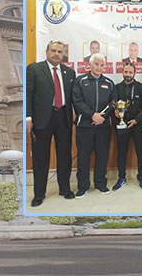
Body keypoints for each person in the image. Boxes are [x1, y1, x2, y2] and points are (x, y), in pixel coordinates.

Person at [25, 41, 76, 206]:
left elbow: (74, 98)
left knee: (64, 156)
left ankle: (65, 189)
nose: (56, 54)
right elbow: (28, 94)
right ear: (47, 52)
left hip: (63, 118)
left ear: (63, 54)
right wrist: (28, 118)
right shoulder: (34, 69)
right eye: (53, 51)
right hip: (42, 119)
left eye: (59, 52)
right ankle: (39, 194)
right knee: (40, 158)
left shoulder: (70, 72)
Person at [72, 53, 115, 197]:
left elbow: (114, 103)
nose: (99, 67)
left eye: (102, 65)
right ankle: (83, 186)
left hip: (103, 126)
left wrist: (102, 117)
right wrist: (92, 115)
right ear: (90, 65)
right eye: (96, 64)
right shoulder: (80, 80)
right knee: (83, 157)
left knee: (102, 156)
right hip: (85, 126)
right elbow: (77, 101)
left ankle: (100, 184)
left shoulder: (109, 83)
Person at [113, 62, 142, 190]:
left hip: (138, 124)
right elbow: (114, 105)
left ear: (134, 73)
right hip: (122, 125)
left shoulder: (141, 87)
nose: (128, 75)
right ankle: (121, 178)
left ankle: (141, 177)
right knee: (121, 153)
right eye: (126, 72)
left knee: (141, 152)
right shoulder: (116, 87)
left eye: (130, 72)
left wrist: (136, 120)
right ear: (122, 72)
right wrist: (116, 112)